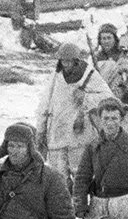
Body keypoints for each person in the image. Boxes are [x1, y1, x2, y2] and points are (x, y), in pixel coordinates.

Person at [36, 41, 114, 188]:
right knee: (58, 180)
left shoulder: (89, 75)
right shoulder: (55, 76)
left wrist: (86, 97)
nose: (65, 65)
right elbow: (44, 104)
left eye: (68, 61)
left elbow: (108, 98)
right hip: (57, 135)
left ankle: (81, 209)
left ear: (76, 61)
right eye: (63, 61)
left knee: (81, 178)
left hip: (79, 135)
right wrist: (40, 130)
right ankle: (64, 209)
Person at [93, 23, 128, 106]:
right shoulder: (96, 57)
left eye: (109, 38)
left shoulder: (124, 56)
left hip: (123, 95)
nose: (106, 41)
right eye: (103, 38)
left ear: (115, 39)